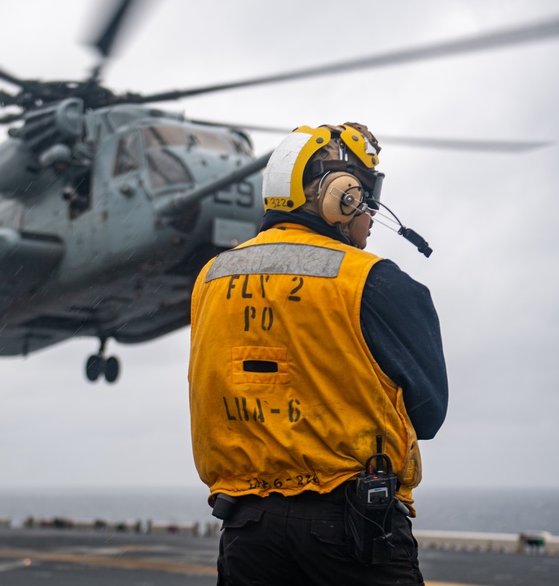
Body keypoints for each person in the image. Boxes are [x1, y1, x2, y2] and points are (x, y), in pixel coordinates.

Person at [188, 122, 447, 585]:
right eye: (366, 197)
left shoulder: (210, 278)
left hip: (247, 532)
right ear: (341, 196)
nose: (369, 212)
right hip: (351, 529)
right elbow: (429, 413)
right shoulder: (373, 280)